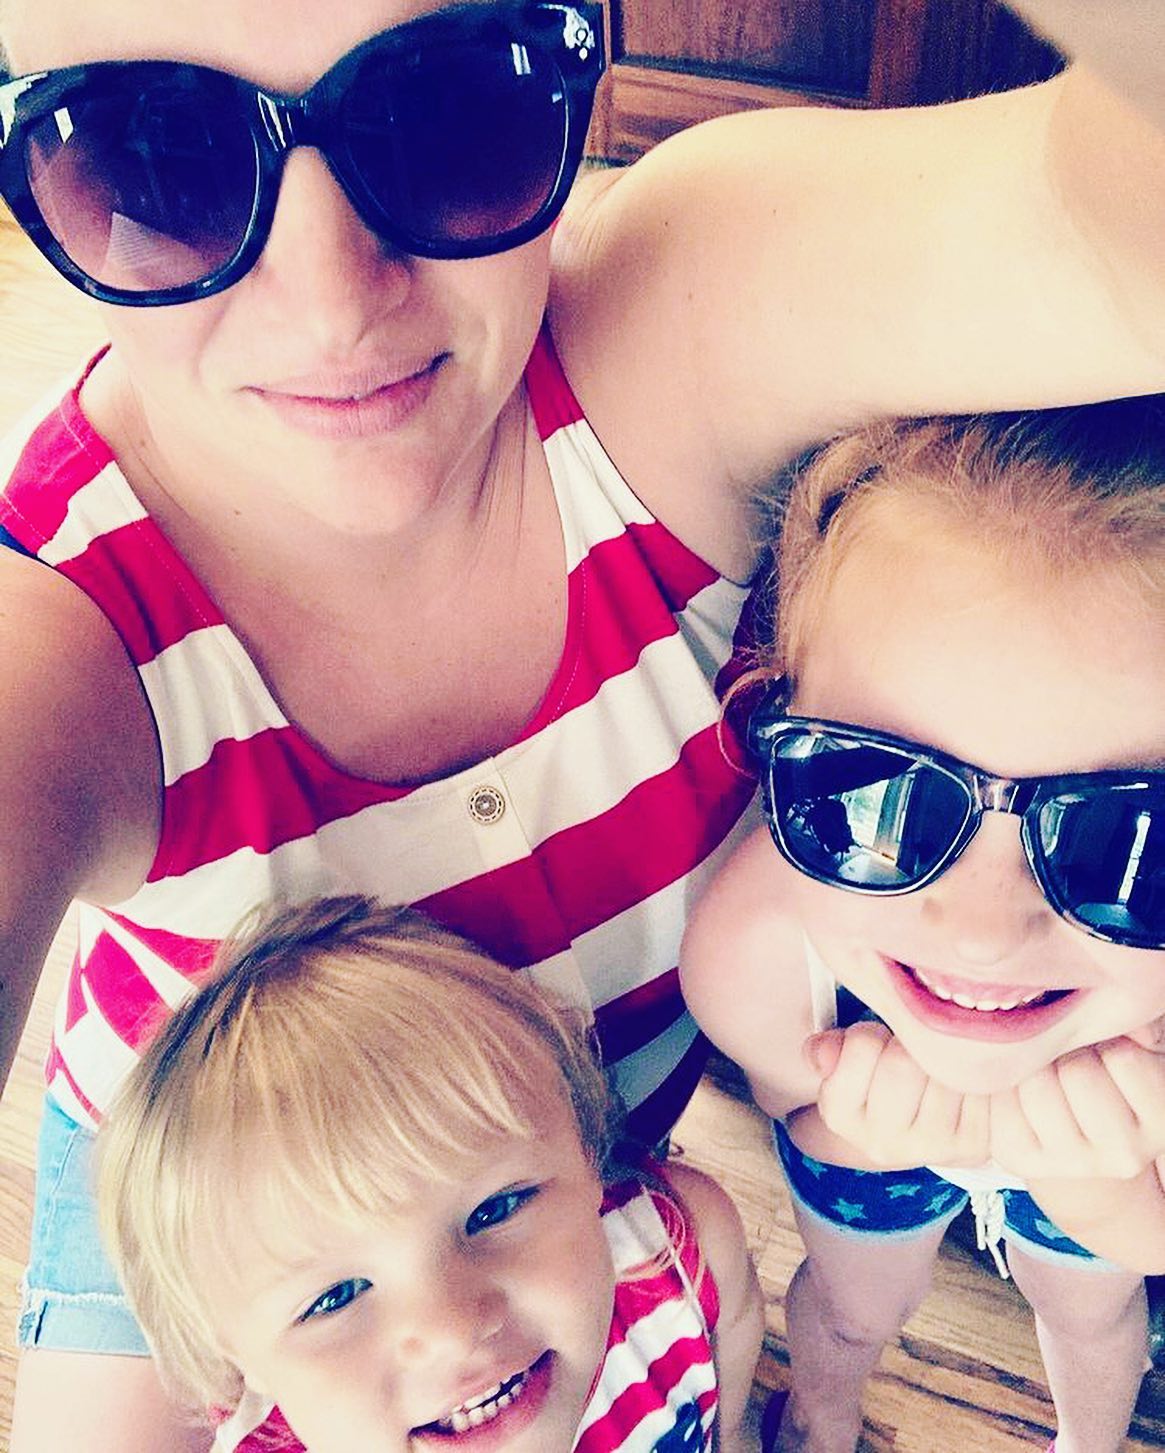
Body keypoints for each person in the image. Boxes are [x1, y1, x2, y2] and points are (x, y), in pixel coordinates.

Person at [1, 0, 1165, 1447]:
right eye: (149, 154)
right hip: (241, 1189)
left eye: (449, 105)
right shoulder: (49, 640)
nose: (332, 302)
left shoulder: (663, 329)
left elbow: (1115, 218)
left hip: (552, 1196)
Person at [680, 396, 1165, 1453]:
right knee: (853, 1309)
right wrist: (863, 1124)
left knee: (1091, 1319)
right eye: (874, 796)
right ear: (775, 719)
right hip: (866, 1154)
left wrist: (1099, 1185)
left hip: (1110, 1179)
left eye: (1133, 841)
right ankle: (822, 1411)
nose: (982, 935)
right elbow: (790, 1108)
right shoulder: (756, 951)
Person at [95, 894, 764, 1453]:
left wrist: (731, 1434)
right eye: (334, 1296)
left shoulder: (674, 1247)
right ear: (236, 1360)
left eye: (495, 1209)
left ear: (585, 1148)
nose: (452, 1327)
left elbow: (731, 1324)